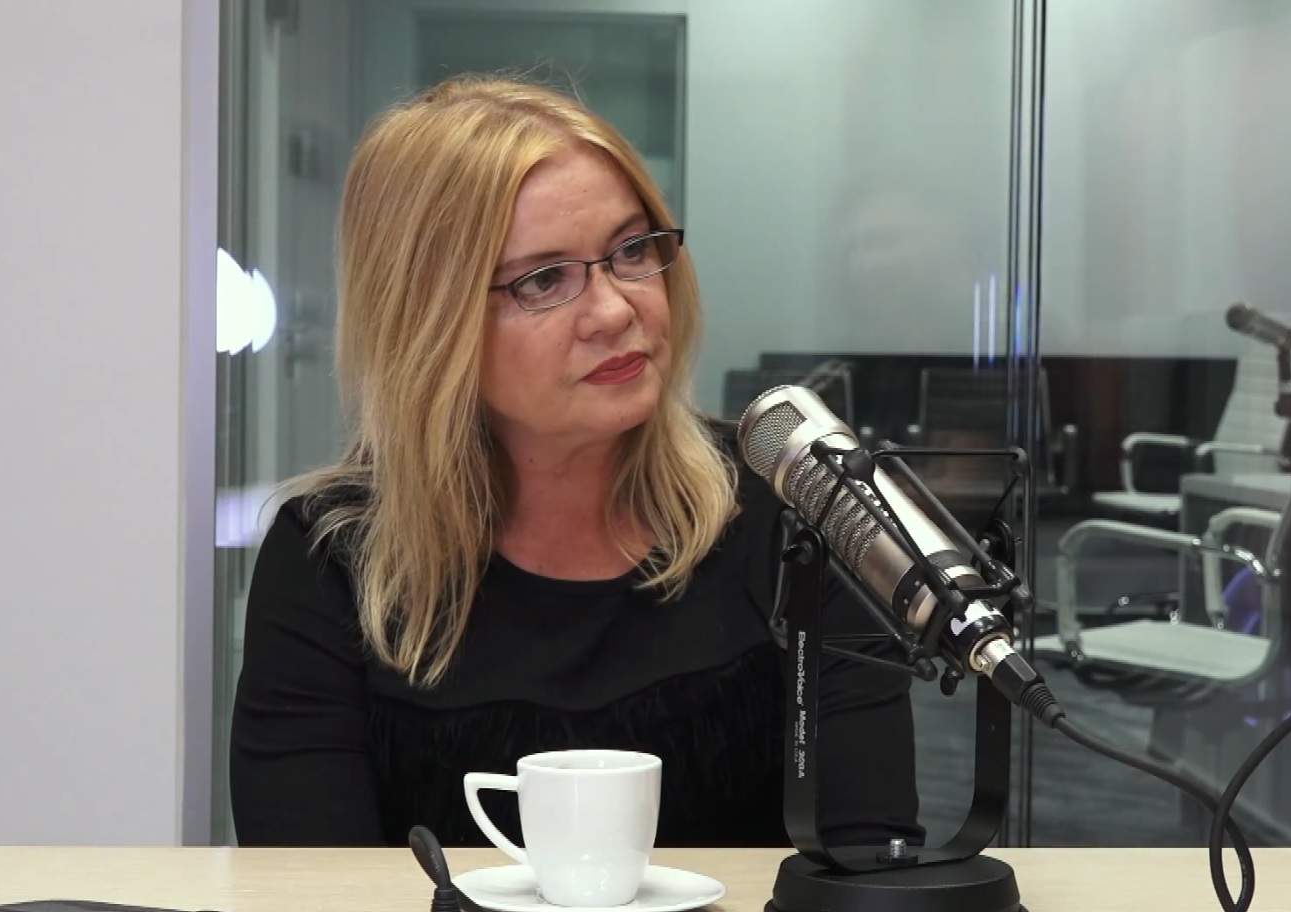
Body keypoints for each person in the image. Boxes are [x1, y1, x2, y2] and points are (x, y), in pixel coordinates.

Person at [228, 74, 924, 850]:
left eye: (632, 250)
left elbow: (871, 857)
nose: (615, 310)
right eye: (543, 279)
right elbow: (306, 883)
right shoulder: (330, 559)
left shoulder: (794, 508)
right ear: (428, 319)